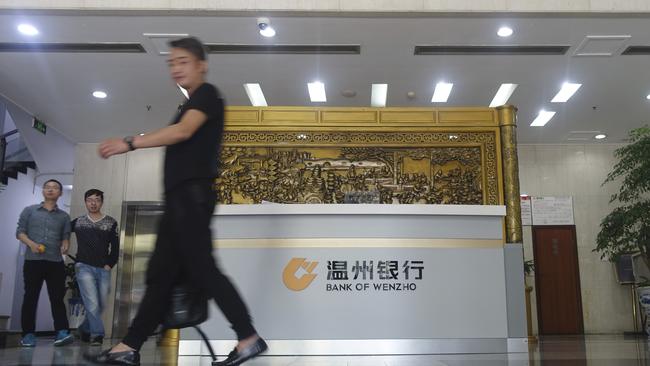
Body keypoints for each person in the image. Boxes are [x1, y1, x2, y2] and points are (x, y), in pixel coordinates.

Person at [86, 37, 266, 366]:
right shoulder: (189, 104)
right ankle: (129, 346)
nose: (175, 68)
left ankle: (248, 336)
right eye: (171, 63)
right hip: (180, 201)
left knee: (203, 269)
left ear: (202, 65)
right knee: (161, 274)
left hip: (191, 198)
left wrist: (130, 143)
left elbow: (182, 133)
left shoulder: (208, 95)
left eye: (182, 61)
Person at [16, 179, 73, 347]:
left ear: (60, 193)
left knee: (57, 298)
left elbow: (66, 235)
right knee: (30, 298)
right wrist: (32, 244)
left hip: (55, 262)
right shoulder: (29, 211)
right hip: (33, 261)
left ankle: (62, 332)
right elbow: (19, 232)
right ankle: (28, 335)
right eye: (47, 187)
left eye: (55, 188)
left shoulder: (64, 216)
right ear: (43, 191)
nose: (51, 190)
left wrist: (66, 243)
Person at [71, 188, 119, 346]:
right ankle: (97, 334)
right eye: (90, 200)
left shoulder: (110, 222)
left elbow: (116, 247)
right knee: (91, 302)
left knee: (101, 303)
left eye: (97, 200)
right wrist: (63, 242)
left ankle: (84, 329)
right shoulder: (78, 222)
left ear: (101, 202)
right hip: (83, 266)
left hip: (103, 268)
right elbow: (62, 231)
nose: (93, 203)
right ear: (85, 202)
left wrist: (109, 264)